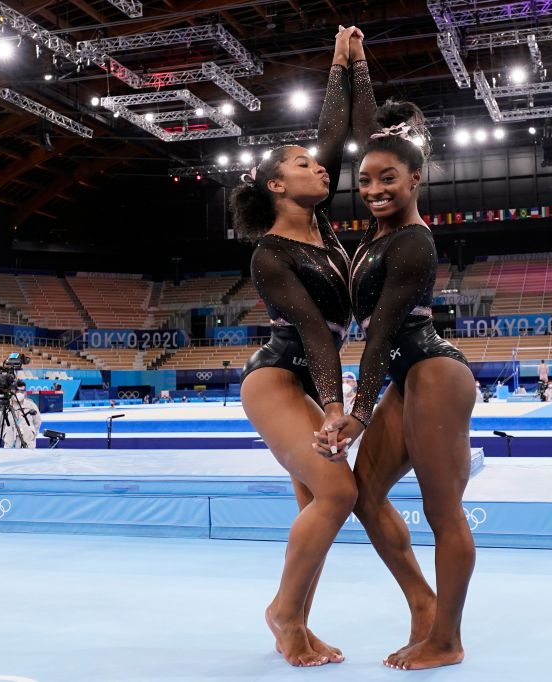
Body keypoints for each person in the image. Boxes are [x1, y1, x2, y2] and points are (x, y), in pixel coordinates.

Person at [316, 40, 476, 670]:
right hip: (409, 376)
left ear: (416, 180)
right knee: (363, 494)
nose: (375, 188)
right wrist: (351, 64)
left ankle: (447, 639)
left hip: (432, 370)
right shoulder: (378, 231)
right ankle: (422, 603)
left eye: (389, 179)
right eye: (366, 181)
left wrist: (357, 411)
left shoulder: (411, 242)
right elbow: (368, 138)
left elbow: (381, 333)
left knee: (443, 511)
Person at [231, 26, 360, 668]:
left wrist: (342, 65)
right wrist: (336, 405)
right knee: (338, 492)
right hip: (278, 377)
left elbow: (332, 136)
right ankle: (283, 613)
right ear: (276, 187)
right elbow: (311, 330)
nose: (319, 167)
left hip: (309, 379)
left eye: (317, 164)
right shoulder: (271, 254)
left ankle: (298, 626)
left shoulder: (322, 225)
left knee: (319, 502)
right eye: (303, 165)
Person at [2, 381, 42, 448]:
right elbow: (0, 424)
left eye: (22, 391)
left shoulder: (31, 405)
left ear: (25, 392)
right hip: (10, 442)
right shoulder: (6, 406)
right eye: (18, 391)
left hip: (28, 441)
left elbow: (37, 422)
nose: (19, 393)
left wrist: (32, 433)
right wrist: (5, 435)